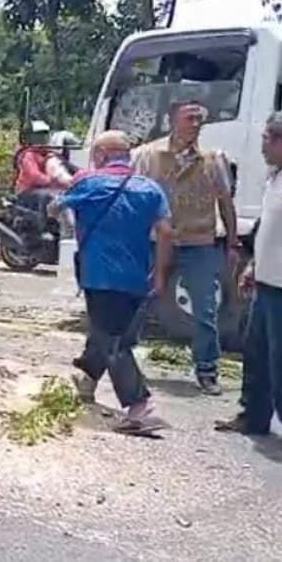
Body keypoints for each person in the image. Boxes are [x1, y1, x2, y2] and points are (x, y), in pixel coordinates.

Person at [49, 130, 173, 434]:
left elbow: (56, 207)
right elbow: (166, 232)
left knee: (113, 340)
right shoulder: (150, 188)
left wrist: (60, 205)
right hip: (137, 276)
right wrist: (159, 273)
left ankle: (139, 406)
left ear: (102, 155)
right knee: (109, 331)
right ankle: (86, 378)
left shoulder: (89, 183)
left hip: (100, 275)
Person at [216, 111, 282, 453]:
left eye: (266, 139)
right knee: (256, 353)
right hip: (266, 283)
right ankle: (253, 415)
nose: (261, 146)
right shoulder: (277, 179)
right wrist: (253, 267)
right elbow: (272, 231)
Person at [132, 100, 239, 395]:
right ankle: (123, 362)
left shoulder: (212, 159)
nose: (196, 123)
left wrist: (232, 241)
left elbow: (225, 203)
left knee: (205, 310)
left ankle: (207, 370)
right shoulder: (149, 156)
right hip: (157, 241)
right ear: (172, 121)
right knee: (138, 301)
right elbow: (136, 197)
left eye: (199, 118)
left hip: (200, 243)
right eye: (189, 117)